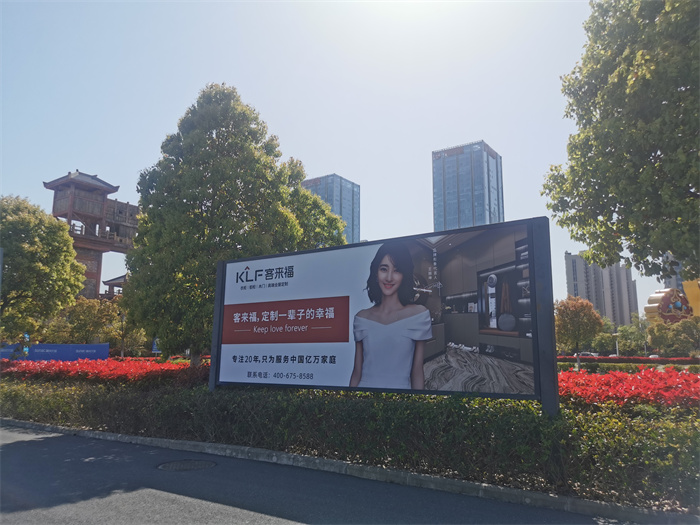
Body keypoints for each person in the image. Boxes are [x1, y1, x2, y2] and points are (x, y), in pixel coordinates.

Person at [349, 242, 432, 390]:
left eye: (397, 270)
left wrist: (418, 402)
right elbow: (357, 373)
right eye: (383, 269)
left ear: (404, 275)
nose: (389, 277)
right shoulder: (361, 318)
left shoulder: (419, 315)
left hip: (401, 399)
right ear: (376, 272)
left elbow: (417, 372)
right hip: (363, 398)